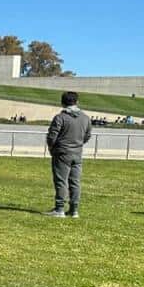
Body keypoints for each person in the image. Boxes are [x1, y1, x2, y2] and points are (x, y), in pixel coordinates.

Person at [45, 91, 92, 219]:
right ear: (77, 102)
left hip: (62, 153)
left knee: (61, 181)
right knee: (75, 182)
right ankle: (74, 210)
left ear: (62, 102)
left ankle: (59, 209)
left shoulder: (60, 118)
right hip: (77, 153)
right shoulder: (85, 118)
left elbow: (52, 136)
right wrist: (78, 144)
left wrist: (52, 148)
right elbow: (87, 135)